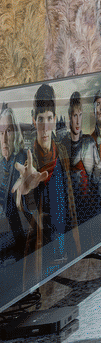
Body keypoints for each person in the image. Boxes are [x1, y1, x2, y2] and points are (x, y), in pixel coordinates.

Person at [12, 83, 79, 262]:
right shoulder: (25, 161)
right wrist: (26, 193)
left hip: (65, 246)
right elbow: (23, 213)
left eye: (49, 118)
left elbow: (69, 201)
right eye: (41, 119)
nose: (45, 127)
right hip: (40, 253)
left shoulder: (63, 152)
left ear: (55, 118)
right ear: (34, 120)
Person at [64, 90, 101, 225]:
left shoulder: (89, 143)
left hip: (90, 210)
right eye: (74, 116)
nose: (78, 121)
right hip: (71, 212)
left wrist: (98, 207)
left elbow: (100, 176)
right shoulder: (63, 146)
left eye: (80, 115)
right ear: (69, 117)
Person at [0, 103, 29, 262]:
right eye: (1, 132)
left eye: (8, 131)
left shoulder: (23, 159)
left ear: (15, 133)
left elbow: (30, 206)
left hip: (18, 235)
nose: (4, 138)